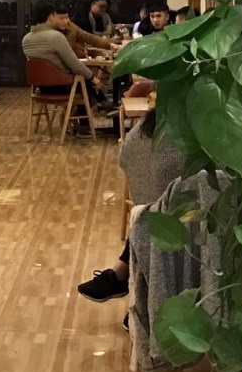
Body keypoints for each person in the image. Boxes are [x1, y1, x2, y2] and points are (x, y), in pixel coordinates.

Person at [77, 104, 181, 300]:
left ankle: (124, 276)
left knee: (151, 216)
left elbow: (125, 158)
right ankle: (130, 282)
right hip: (172, 220)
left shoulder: (144, 131)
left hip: (157, 217)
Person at [21, 0, 108, 116]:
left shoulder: (26, 39)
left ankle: (88, 112)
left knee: (84, 80)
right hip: (61, 86)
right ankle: (87, 118)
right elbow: (74, 63)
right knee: (86, 80)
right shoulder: (56, 37)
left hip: (40, 87)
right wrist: (93, 78)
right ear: (51, 16)